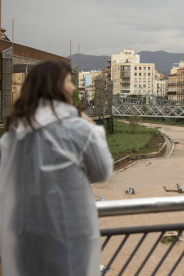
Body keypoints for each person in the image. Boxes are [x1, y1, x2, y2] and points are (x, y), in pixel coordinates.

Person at [0, 60, 113, 275]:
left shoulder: (15, 131)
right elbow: (102, 170)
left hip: (24, 229)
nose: (72, 87)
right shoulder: (77, 128)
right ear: (56, 87)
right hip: (68, 229)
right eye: (68, 82)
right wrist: (86, 121)